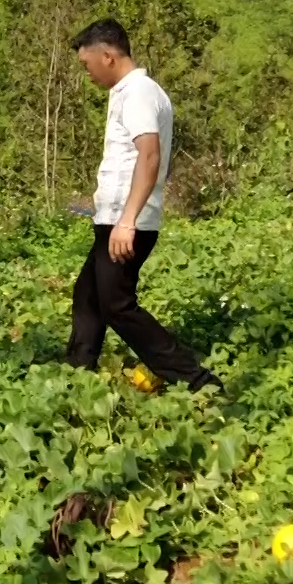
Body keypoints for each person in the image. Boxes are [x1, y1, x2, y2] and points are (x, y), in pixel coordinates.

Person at [65, 20, 222, 393]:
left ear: (107, 56)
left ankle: (199, 382)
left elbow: (149, 157)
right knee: (88, 296)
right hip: (117, 218)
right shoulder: (130, 92)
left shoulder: (138, 93)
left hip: (126, 222)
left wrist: (128, 221)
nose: (86, 74)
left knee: (117, 306)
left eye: (87, 65)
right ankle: (75, 373)